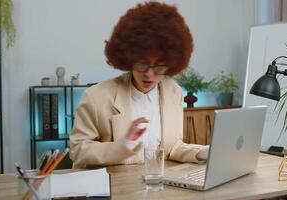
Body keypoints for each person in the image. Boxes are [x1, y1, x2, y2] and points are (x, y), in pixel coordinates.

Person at [69, 1, 209, 169]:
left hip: (158, 184)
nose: (149, 74)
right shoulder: (96, 96)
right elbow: (77, 150)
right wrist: (124, 145)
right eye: (142, 64)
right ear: (128, 58)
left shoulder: (174, 92)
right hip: (115, 187)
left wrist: (203, 152)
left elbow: (172, 148)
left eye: (159, 66)